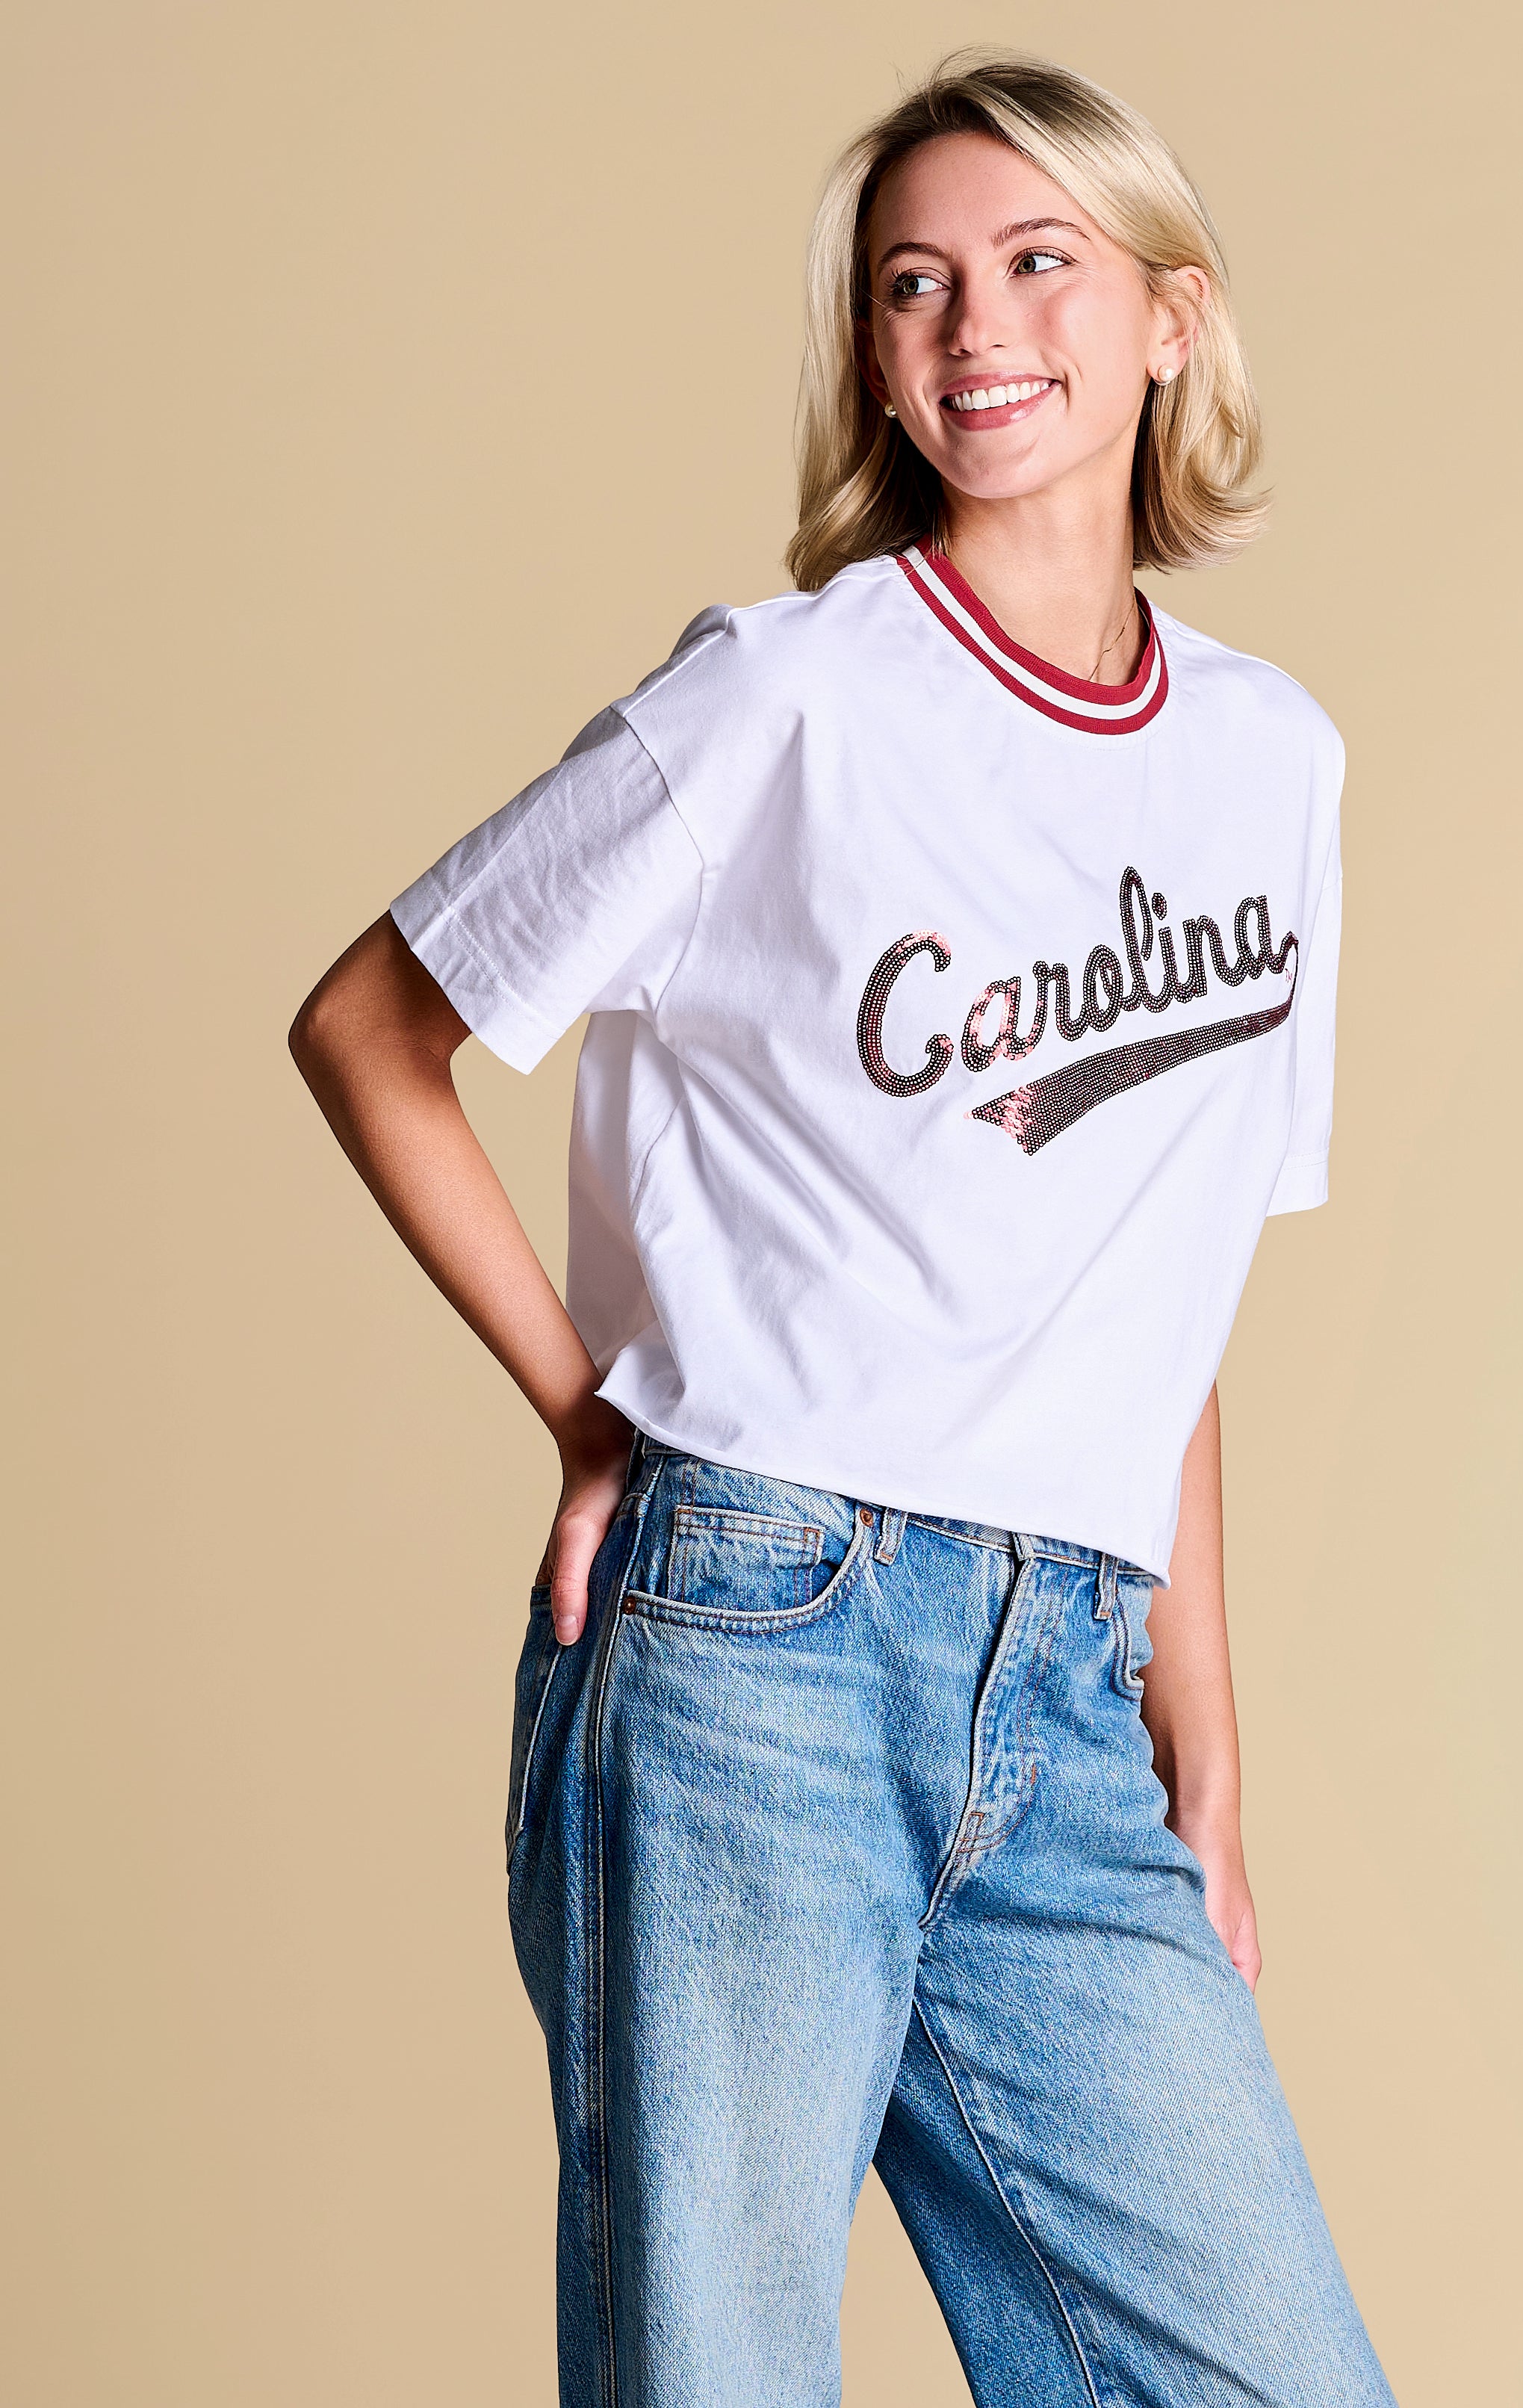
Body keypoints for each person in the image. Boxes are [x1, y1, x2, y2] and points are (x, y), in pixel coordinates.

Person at [290, 47, 1395, 2408]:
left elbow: (1159, 1277)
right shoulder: (784, 697)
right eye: (912, 285)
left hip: (1070, 1681)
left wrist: (1200, 1731)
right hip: (753, 1642)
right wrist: (589, 1417)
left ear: (1169, 317)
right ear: (871, 354)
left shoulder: (1270, 762)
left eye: (1036, 262)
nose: (974, 326)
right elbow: (372, 1024)